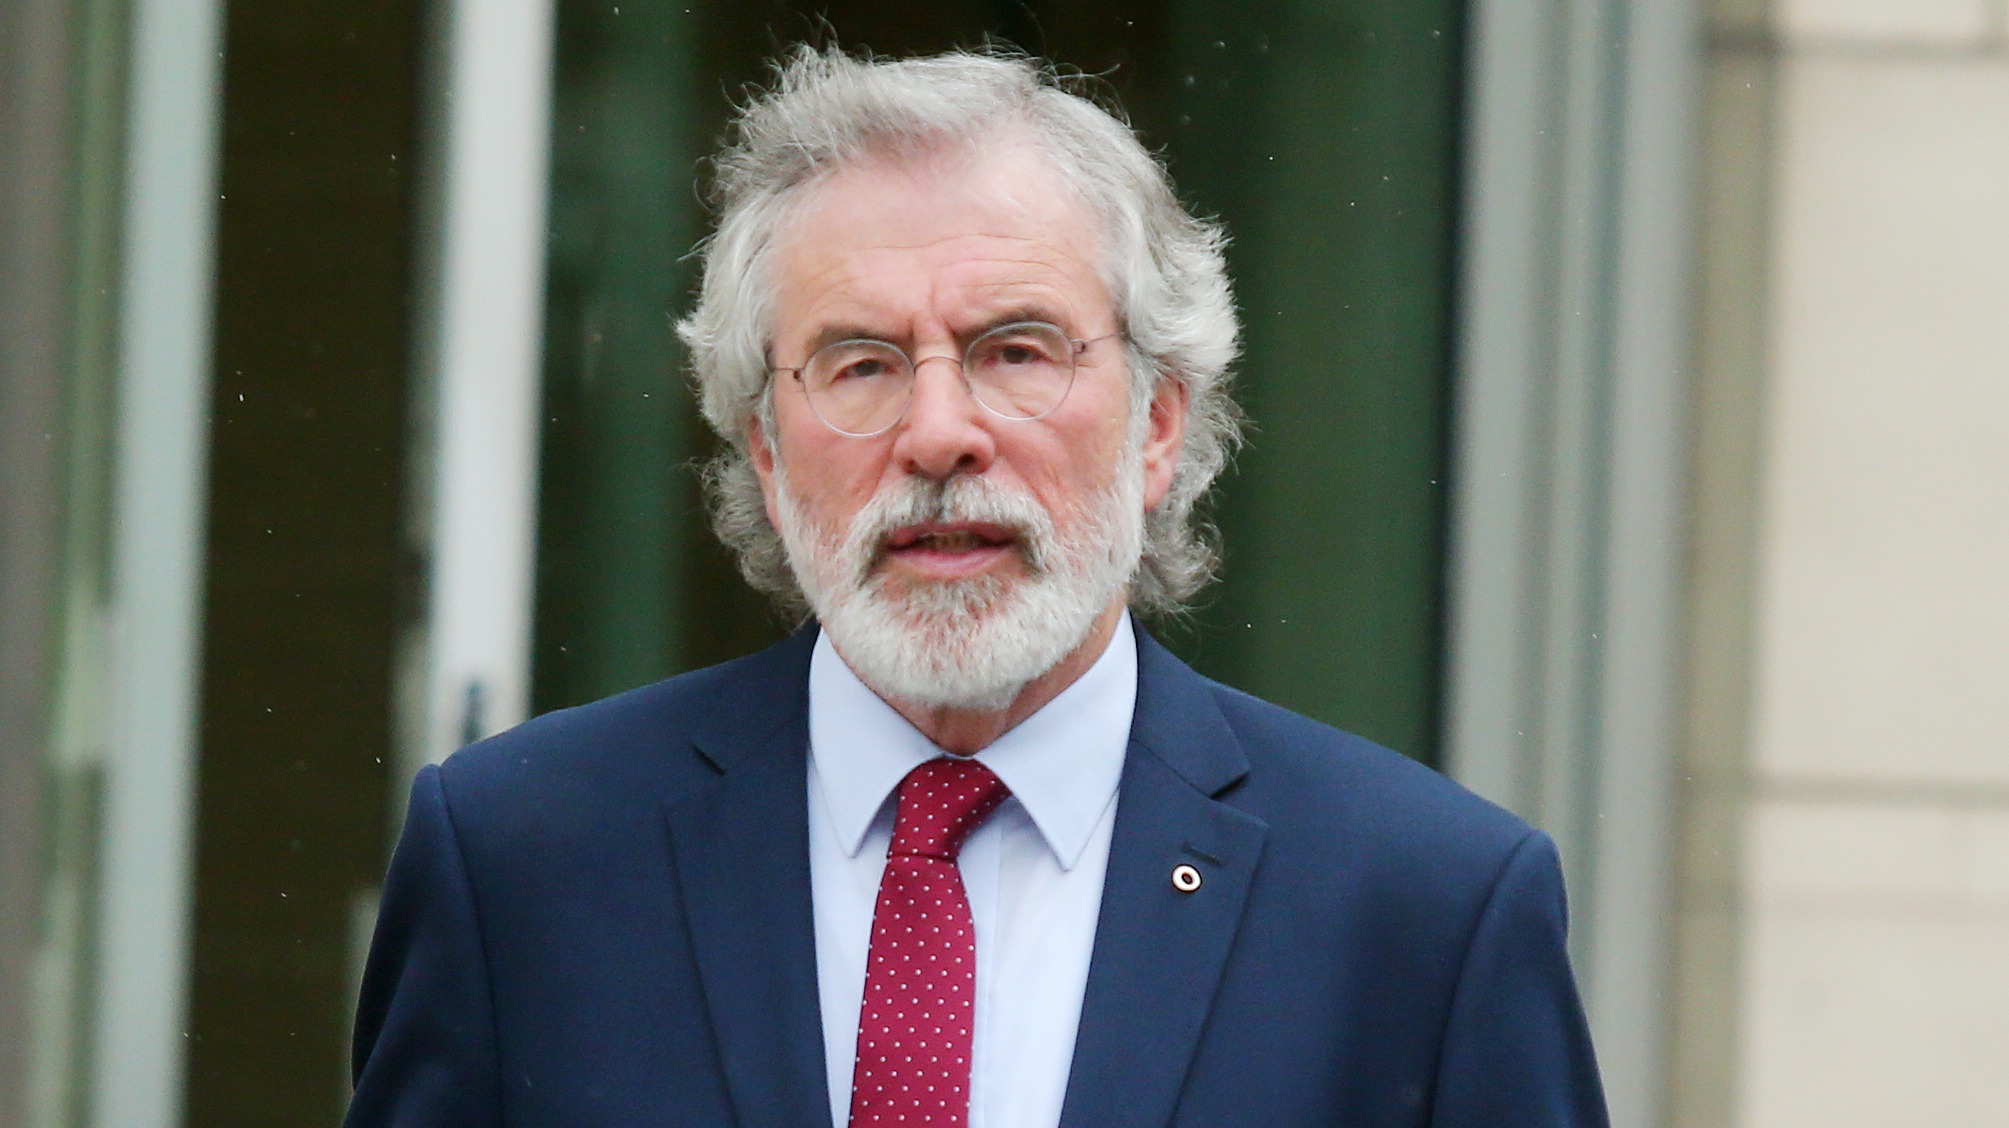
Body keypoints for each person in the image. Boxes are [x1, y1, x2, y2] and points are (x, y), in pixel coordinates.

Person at [345, 47, 1607, 1128]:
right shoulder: (524, 863)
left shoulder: (1423, 910)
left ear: (1157, 424)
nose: (939, 434)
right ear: (767, 453)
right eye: (860, 363)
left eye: (1014, 351)